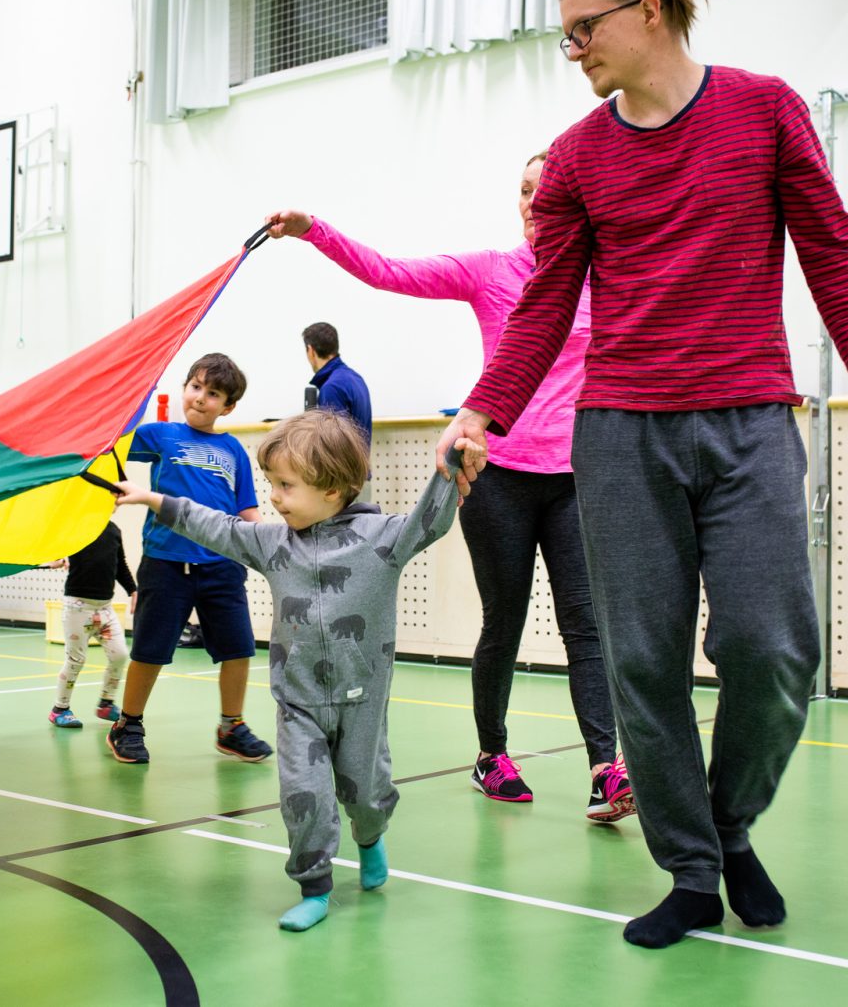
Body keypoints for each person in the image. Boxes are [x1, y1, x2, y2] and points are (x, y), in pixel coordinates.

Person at [438, 0, 848, 949]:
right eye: (562, 36)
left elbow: (830, 242)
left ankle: (726, 825)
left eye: (582, 30)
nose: (570, 50)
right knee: (642, 661)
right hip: (620, 435)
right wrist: (484, 411)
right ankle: (693, 869)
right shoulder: (572, 159)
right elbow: (545, 300)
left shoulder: (765, 107)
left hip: (747, 423)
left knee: (770, 648)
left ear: (649, 13)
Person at [266, 160, 632, 825]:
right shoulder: (492, 272)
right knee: (505, 621)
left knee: (586, 624)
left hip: (577, 477)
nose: (532, 202)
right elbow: (389, 271)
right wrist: (314, 229)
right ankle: (492, 754)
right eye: (523, 190)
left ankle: (606, 770)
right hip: (497, 476)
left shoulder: (601, 273)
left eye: (546, 191)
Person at [115, 410, 480, 930]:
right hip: (298, 702)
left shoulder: (381, 540)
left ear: (332, 489)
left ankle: (370, 837)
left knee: (365, 792)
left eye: (285, 486)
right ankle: (315, 884)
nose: (275, 498)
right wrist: (156, 500)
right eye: (272, 485)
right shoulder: (273, 544)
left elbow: (431, 519)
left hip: (363, 702)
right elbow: (216, 527)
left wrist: (450, 468)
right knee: (302, 794)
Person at [107, 353, 275, 765]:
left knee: (238, 650)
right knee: (150, 650)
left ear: (228, 406)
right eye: (195, 387)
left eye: (213, 393)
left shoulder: (233, 449)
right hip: (166, 564)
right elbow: (116, 443)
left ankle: (231, 726)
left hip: (223, 566)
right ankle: (128, 724)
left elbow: (246, 510)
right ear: (184, 389)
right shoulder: (161, 436)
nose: (201, 398)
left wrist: (274, 543)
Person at [46, 521, 134, 728]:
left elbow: (120, 565)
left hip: (105, 608)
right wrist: (59, 556)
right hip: (78, 607)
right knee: (76, 659)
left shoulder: (114, 530)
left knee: (120, 655)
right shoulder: (76, 526)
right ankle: (59, 708)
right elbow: (58, 547)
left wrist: (133, 590)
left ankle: (106, 702)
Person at [301, 322, 373, 444]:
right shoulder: (355, 378)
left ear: (310, 350)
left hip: (344, 463)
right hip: (359, 461)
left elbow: (333, 447)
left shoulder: (331, 388)